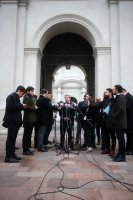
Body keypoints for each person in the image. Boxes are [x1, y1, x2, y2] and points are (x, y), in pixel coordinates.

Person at [2, 85, 26, 163]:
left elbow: (17, 107)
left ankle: (12, 154)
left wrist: (22, 107)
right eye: (22, 94)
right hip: (12, 121)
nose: (22, 96)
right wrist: (21, 105)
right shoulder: (11, 97)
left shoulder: (16, 98)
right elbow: (10, 107)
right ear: (18, 91)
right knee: (10, 139)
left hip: (15, 121)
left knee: (13, 139)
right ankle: (8, 157)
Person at [106, 85, 127, 162]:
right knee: (120, 139)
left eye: (114, 89)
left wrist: (113, 116)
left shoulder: (121, 97)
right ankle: (119, 154)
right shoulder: (117, 97)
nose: (112, 90)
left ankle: (122, 156)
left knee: (121, 140)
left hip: (120, 122)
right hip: (116, 122)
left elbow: (121, 110)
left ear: (117, 90)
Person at [22, 86, 38, 156]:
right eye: (32, 91)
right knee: (26, 135)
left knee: (28, 135)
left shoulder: (30, 97)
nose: (33, 92)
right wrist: (34, 107)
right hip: (28, 119)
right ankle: (25, 150)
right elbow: (25, 107)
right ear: (28, 91)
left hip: (31, 119)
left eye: (33, 91)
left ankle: (27, 149)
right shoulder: (26, 97)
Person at [122, 88, 133, 155]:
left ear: (123, 92)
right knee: (129, 136)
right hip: (129, 120)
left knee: (131, 137)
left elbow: (128, 107)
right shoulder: (127, 97)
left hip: (131, 121)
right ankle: (128, 149)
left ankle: (131, 150)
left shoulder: (129, 97)